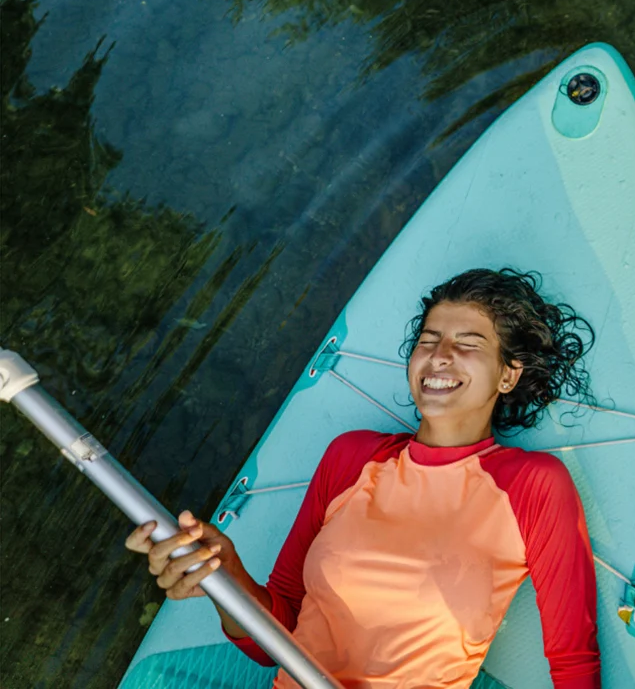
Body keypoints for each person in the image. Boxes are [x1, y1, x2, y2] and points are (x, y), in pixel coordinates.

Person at [126, 268, 602, 689]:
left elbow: (573, 661)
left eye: (468, 344)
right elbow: (278, 633)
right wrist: (225, 577)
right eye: (428, 340)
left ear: (508, 375)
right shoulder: (351, 457)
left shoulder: (533, 485)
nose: (439, 355)